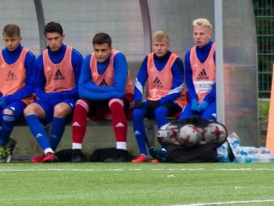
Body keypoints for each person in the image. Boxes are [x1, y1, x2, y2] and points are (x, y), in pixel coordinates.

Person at [0, 23, 36, 163]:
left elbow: (30, 86)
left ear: (19, 39)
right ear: (3, 39)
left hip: (21, 100)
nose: (10, 43)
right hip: (1, 100)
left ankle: (1, 145)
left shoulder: (28, 56)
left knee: (8, 114)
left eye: (13, 40)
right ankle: (8, 141)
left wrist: (11, 98)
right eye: (7, 40)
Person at [70, 32, 133, 162]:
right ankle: (76, 152)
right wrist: (105, 91)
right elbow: (81, 92)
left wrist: (91, 87)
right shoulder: (88, 59)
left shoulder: (118, 58)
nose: (100, 54)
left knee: (115, 102)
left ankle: (121, 151)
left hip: (121, 98)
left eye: (103, 50)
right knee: (80, 103)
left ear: (110, 48)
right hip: (103, 97)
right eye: (96, 50)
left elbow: (120, 91)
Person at [25, 22, 83, 163]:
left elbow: (81, 86)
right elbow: (37, 87)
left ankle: (49, 153)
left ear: (62, 37)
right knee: (29, 110)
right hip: (48, 100)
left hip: (68, 99)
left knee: (59, 109)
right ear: (45, 39)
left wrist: (62, 95)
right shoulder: (41, 59)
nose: (53, 42)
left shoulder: (74, 56)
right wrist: (46, 96)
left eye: (56, 38)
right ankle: (48, 151)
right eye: (50, 39)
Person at [131, 30, 187, 163]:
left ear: (167, 46)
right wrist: (138, 99)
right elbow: (139, 80)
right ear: (152, 46)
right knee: (137, 113)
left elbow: (179, 88)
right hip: (153, 99)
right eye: (156, 45)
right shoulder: (149, 59)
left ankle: (163, 150)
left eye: (162, 45)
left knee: (160, 111)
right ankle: (143, 153)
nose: (159, 48)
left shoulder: (175, 60)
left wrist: (162, 100)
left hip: (173, 100)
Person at [179, 18, 217, 120]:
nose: (198, 37)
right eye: (195, 34)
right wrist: (194, 100)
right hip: (197, 100)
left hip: (214, 100)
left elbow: (221, 82)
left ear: (210, 35)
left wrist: (207, 100)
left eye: (202, 34)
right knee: (182, 123)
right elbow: (189, 82)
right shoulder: (189, 54)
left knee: (206, 123)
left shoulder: (216, 51)